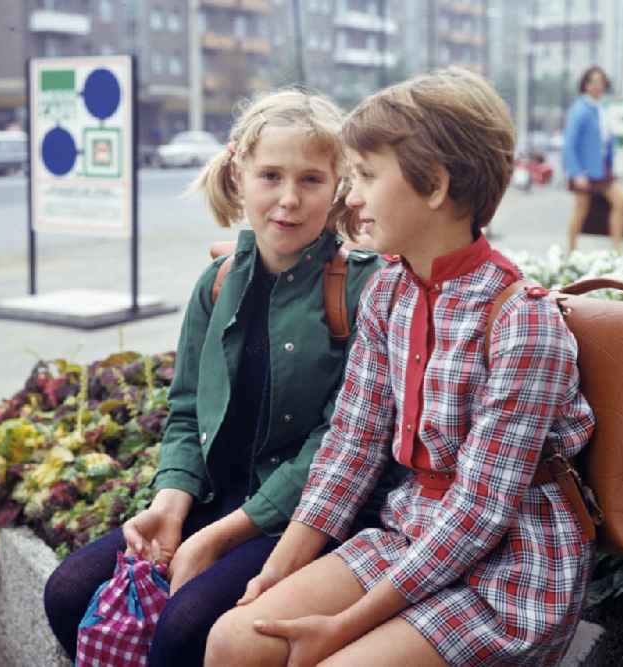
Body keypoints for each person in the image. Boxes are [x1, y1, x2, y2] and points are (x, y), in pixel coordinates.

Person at [205, 67, 596, 667]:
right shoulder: (390, 290)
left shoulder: (524, 322)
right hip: (406, 534)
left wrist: (343, 627)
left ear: (435, 185)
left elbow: (480, 512)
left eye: (364, 175)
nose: (350, 196)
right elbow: (353, 444)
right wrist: (276, 572)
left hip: (509, 575)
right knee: (235, 637)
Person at [43, 89, 382, 666]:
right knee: (69, 593)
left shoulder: (360, 288)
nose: (289, 200)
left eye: (311, 180)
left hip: (304, 518)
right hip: (216, 500)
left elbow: (336, 448)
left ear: (339, 187)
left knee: (186, 628)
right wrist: (171, 502)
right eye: (271, 176)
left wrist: (220, 536)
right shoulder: (218, 281)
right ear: (239, 174)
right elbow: (185, 411)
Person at [563, 65, 623, 252]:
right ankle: (571, 253)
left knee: (621, 200)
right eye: (593, 81)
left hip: (601, 170)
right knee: (581, 209)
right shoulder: (580, 109)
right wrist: (576, 173)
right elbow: (569, 144)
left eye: (601, 82)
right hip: (584, 171)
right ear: (585, 85)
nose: (598, 85)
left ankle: (618, 250)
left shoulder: (601, 108)